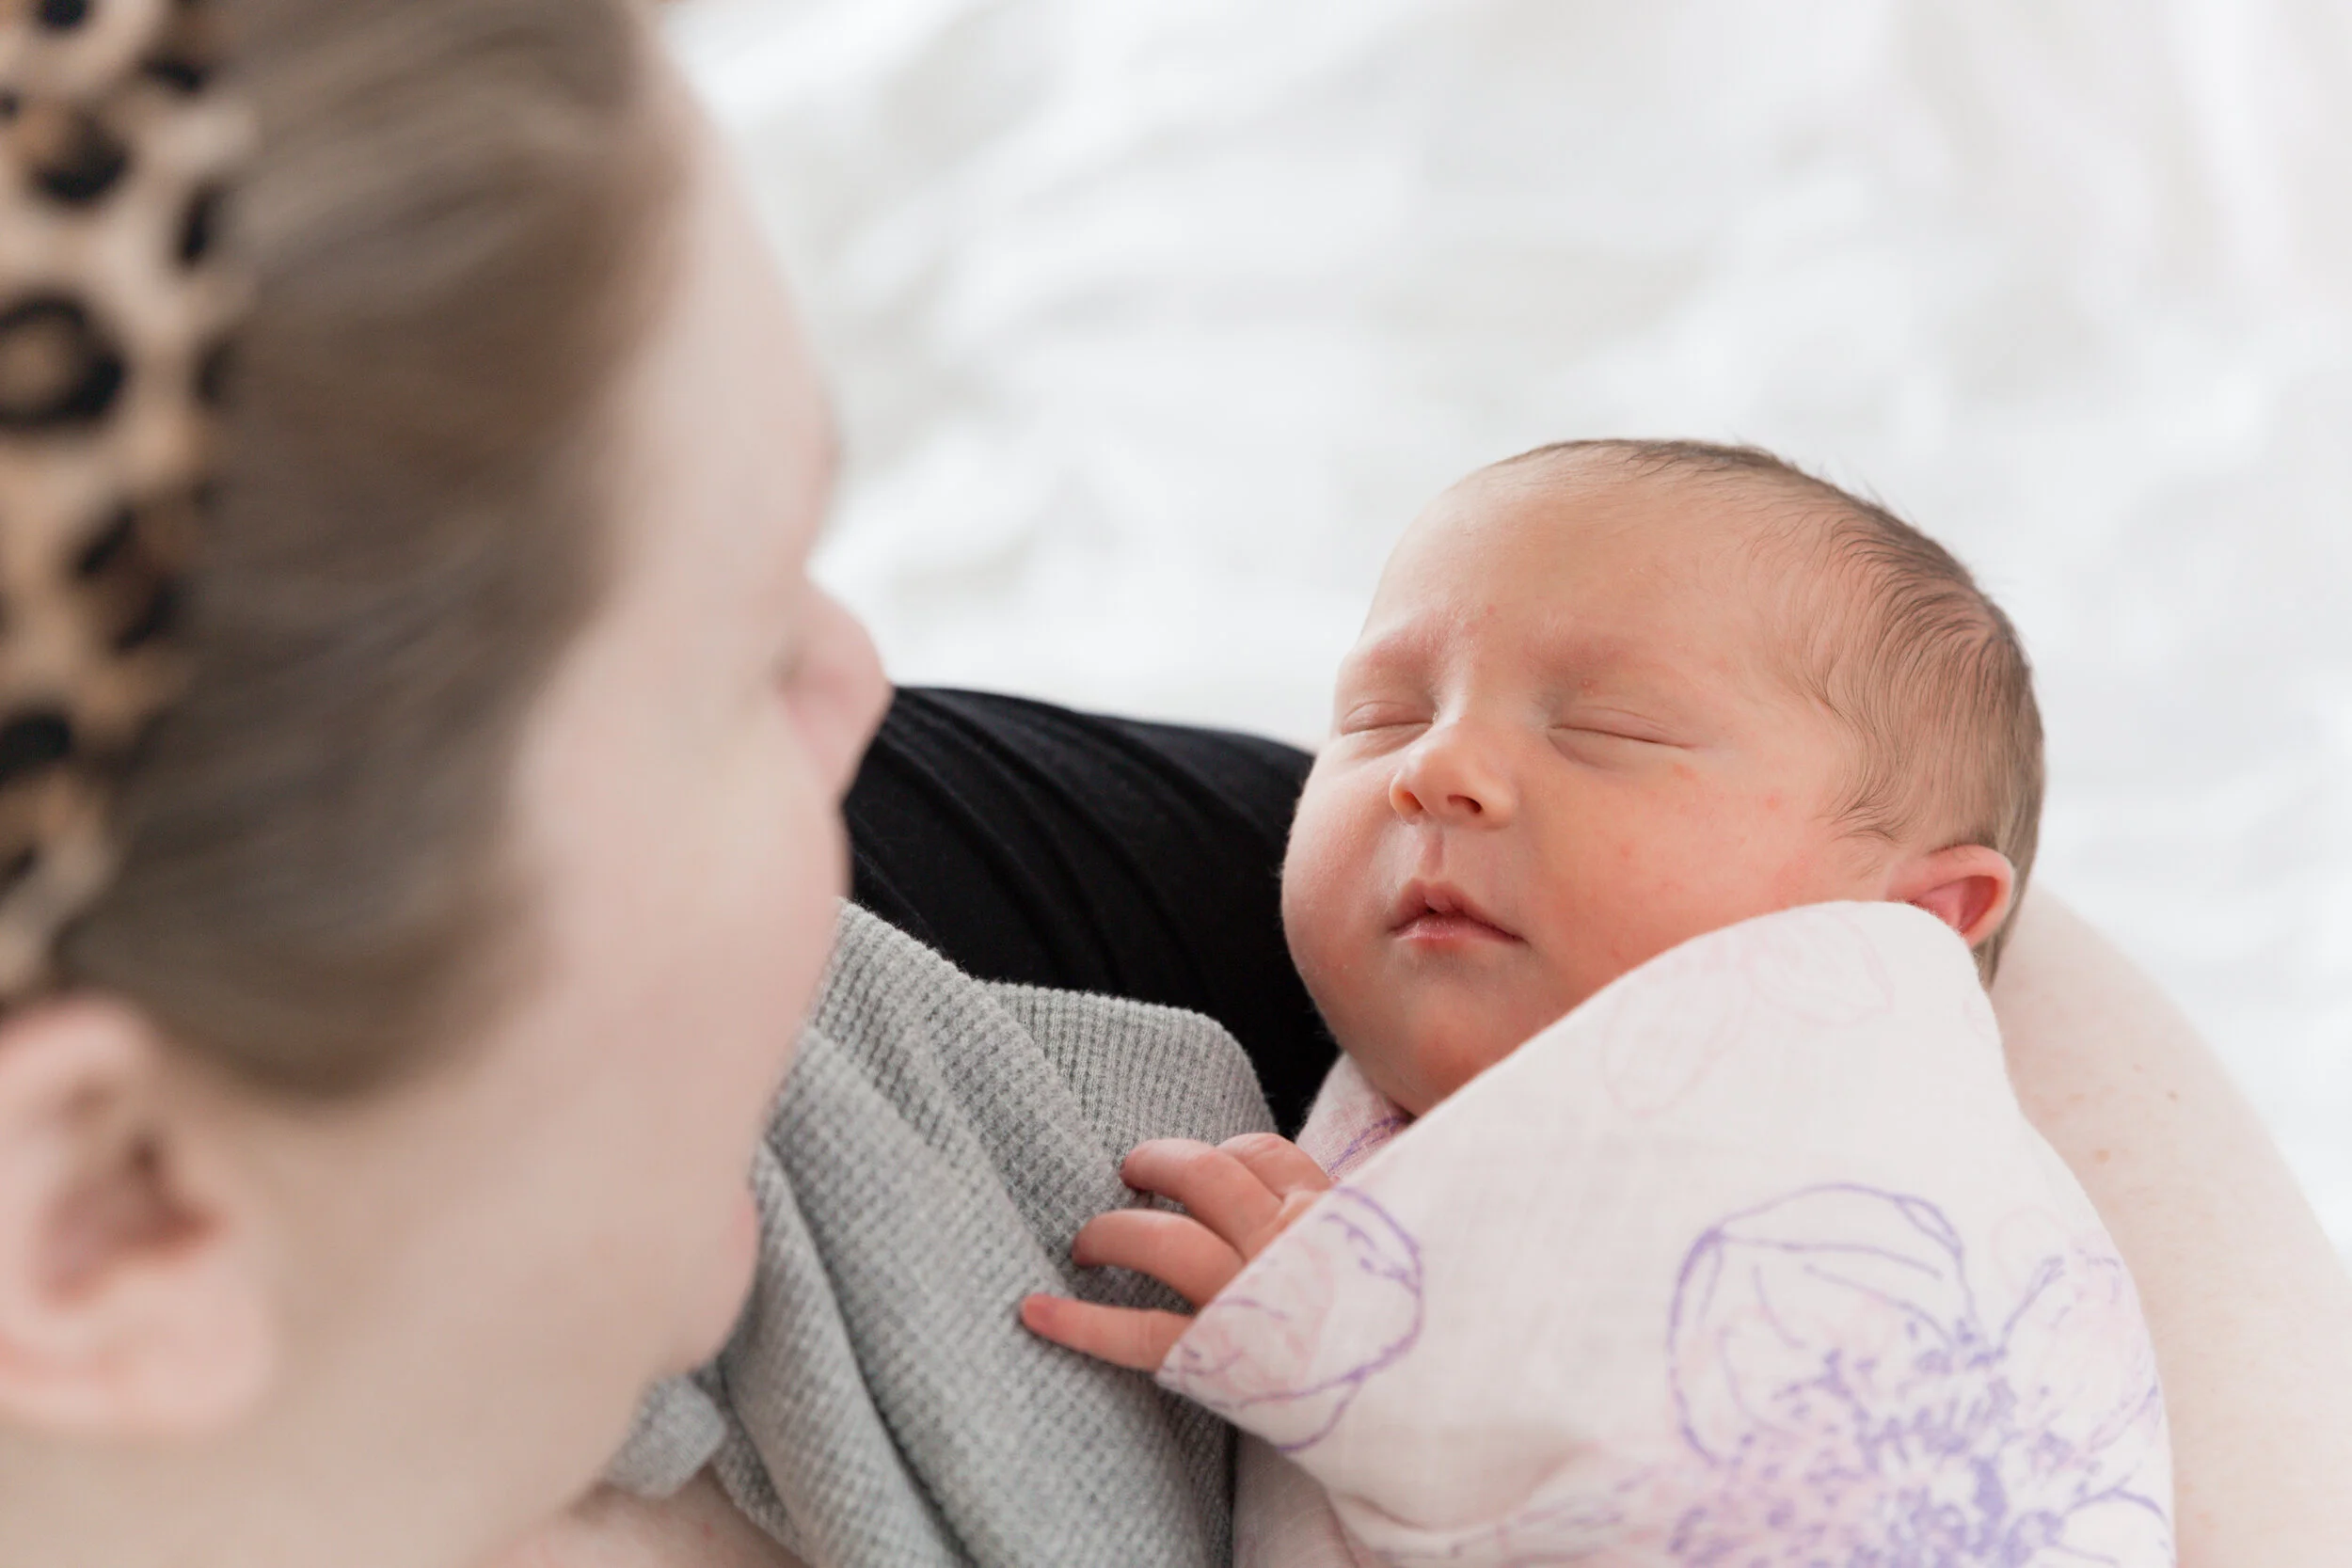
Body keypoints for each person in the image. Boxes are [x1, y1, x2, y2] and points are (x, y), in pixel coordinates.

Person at [0, 4, 2342, 1567]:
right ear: (107, 1209)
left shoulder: (1053, 1013)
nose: (877, 693)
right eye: (732, 664)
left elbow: (1923, 987)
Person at [1022, 440, 2170, 1562]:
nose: (1435, 768)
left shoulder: (1861, 1143)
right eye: (1379, 716)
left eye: (1607, 729)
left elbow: (1849, 1489)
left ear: (1906, 920)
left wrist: (1391, 1352)